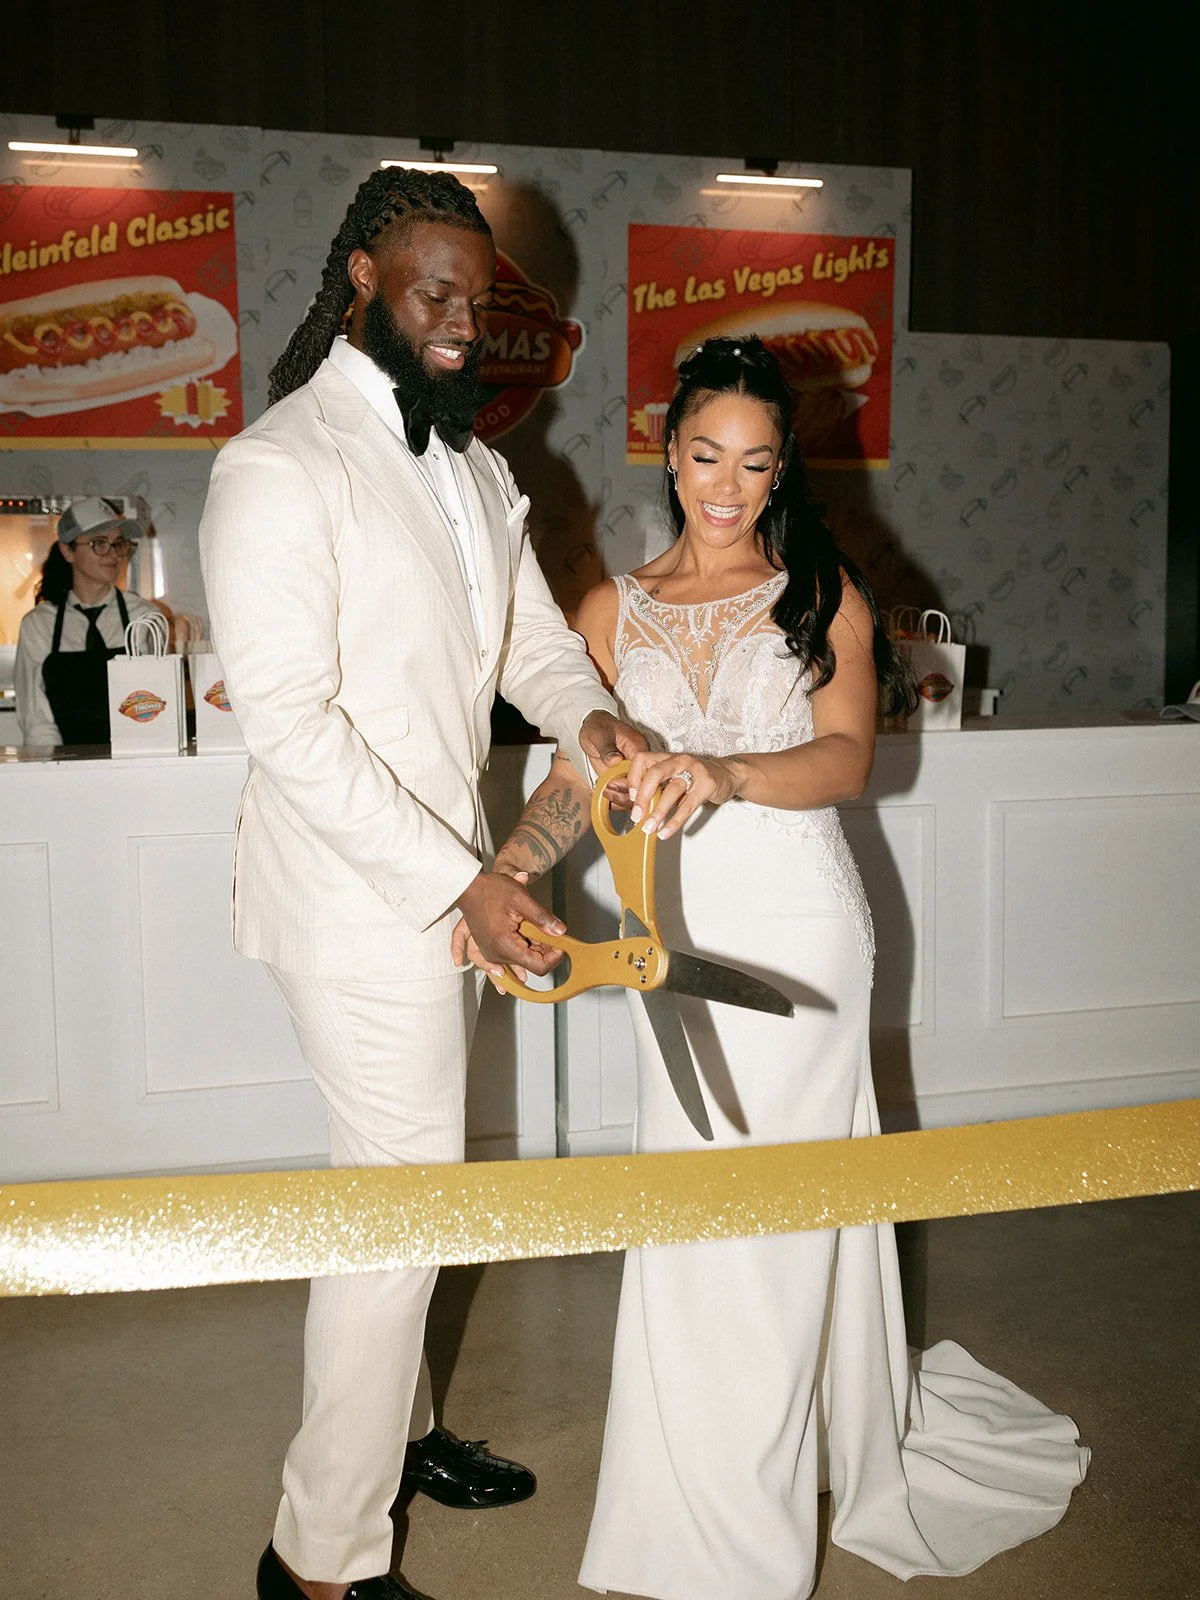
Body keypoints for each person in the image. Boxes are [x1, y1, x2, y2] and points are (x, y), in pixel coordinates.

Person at [463, 338, 1090, 1600]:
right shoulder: (606, 610)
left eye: (755, 462)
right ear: (671, 450)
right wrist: (521, 865)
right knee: (690, 1210)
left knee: (770, 1218)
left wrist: (728, 773)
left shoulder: (822, 593)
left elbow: (851, 756)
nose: (727, 485)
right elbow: (575, 779)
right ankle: (695, 1491)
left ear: (780, 467)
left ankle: (736, 1549)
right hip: (664, 942)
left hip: (798, 932)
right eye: (705, 456)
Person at [198, 167, 645, 1600]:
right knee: (395, 1210)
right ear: (362, 287)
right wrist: (460, 883)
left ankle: (406, 1432)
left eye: (478, 298)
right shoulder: (277, 464)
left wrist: (592, 722)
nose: (461, 321)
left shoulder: (479, 467)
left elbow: (531, 647)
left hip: (449, 885)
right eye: (432, 293)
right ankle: (318, 1560)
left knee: (417, 1191)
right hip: (352, 894)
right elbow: (293, 729)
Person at [13, 497, 159, 747]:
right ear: (67, 551)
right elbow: (36, 718)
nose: (113, 554)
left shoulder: (144, 617)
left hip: (135, 760)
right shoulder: (38, 625)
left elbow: (155, 705)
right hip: (63, 764)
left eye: (118, 543)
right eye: (99, 543)